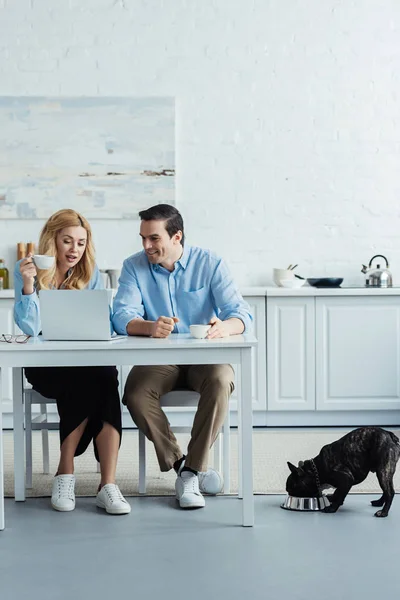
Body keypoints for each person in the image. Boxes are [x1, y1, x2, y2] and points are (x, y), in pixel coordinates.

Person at [112, 204, 252, 509]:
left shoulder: (210, 263)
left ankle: (190, 471)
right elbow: (121, 316)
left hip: (205, 357)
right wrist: (149, 327)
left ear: (177, 237)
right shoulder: (134, 266)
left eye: (154, 238)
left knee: (221, 380)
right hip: (160, 359)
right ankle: (184, 468)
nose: (147, 246)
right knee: (135, 393)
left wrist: (224, 327)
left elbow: (241, 314)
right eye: (143, 238)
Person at [14, 209, 131, 515]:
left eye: (80, 243)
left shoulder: (90, 275)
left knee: (104, 375)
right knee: (92, 378)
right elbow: (29, 328)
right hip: (45, 365)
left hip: (84, 362)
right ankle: (66, 472)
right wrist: (29, 286)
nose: (74, 250)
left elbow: (98, 321)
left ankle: (107, 485)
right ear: (52, 240)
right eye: (67, 241)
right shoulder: (26, 269)